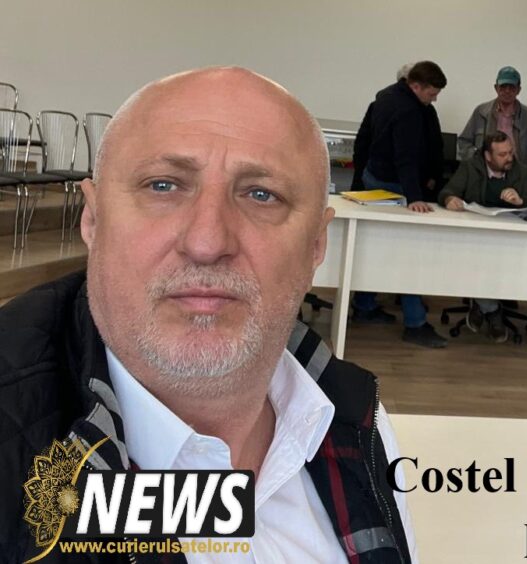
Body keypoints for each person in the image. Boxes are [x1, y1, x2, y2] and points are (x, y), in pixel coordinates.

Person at [0, 67, 416, 563]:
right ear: (92, 218)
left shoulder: (355, 418)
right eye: (163, 186)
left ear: (316, 244)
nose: (207, 242)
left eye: (261, 194)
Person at [352, 60, 449, 348]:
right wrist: (415, 196)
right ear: (415, 86)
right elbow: (405, 157)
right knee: (408, 254)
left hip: (374, 178)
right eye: (432, 93)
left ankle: (364, 305)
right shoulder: (408, 111)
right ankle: (415, 323)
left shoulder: (385, 96)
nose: (434, 99)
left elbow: (364, 140)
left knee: (378, 248)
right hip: (395, 186)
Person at [439, 131, 527, 342]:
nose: (509, 158)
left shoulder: (520, 171)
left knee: (501, 263)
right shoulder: (470, 167)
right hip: (475, 237)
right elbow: (447, 191)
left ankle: (482, 306)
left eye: (510, 152)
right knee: (482, 260)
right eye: (502, 155)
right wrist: (450, 199)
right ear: (487, 156)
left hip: (511, 240)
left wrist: (521, 201)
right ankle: (492, 311)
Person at [457, 66, 527, 185]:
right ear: (496, 88)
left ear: (519, 89)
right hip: (485, 181)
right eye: (503, 86)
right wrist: (478, 163)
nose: (507, 91)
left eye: (512, 87)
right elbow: (463, 142)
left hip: (519, 181)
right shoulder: (481, 112)